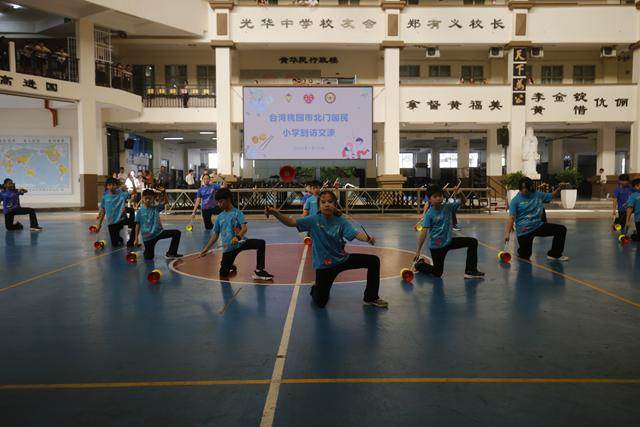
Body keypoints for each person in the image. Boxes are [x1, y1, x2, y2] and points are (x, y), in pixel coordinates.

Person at [266, 190, 388, 308]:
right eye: (323, 202)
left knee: (373, 261)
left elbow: (355, 234)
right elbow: (291, 222)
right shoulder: (313, 220)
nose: (327, 204)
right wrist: (275, 212)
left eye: (330, 201)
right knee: (321, 302)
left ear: (335, 205)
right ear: (319, 206)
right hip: (324, 266)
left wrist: (367, 238)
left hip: (342, 259)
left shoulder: (341, 222)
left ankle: (371, 297)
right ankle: (315, 288)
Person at [199, 188, 273, 280]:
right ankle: (229, 264)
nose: (219, 204)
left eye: (221, 201)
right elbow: (215, 235)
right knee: (223, 274)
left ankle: (259, 270)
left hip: (241, 243)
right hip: (229, 248)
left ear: (228, 199)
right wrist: (206, 249)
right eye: (218, 202)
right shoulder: (219, 217)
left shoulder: (237, 213)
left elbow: (244, 228)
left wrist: (237, 237)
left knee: (261, 243)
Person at [414, 186, 483, 279]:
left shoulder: (448, 207)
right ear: (429, 199)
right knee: (438, 273)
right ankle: (420, 265)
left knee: (473, 242)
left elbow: (463, 201)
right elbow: (423, 233)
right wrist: (418, 251)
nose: (438, 198)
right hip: (437, 247)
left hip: (449, 241)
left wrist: (460, 193)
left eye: (440, 196)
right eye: (435, 196)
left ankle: (470, 271)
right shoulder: (429, 214)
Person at [505, 177, 568, 261]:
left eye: (526, 187)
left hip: (538, 226)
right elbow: (511, 217)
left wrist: (560, 188)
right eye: (522, 188)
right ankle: (522, 250)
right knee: (525, 255)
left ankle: (554, 254)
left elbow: (552, 195)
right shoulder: (515, 201)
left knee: (561, 230)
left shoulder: (537, 195)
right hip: (524, 230)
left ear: (531, 187)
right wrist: (507, 233)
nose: (524, 190)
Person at [134, 189, 182, 259]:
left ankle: (171, 253)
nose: (148, 200)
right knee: (149, 257)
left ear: (153, 199)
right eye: (146, 198)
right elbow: (137, 225)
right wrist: (136, 238)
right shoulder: (140, 211)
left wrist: (164, 192)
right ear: (142, 198)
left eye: (150, 198)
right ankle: (146, 252)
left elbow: (166, 202)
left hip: (159, 233)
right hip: (148, 238)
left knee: (177, 233)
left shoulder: (156, 208)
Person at [95, 177, 136, 247]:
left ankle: (131, 241)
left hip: (122, 219)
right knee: (114, 244)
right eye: (109, 185)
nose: (111, 186)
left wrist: (132, 182)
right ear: (107, 186)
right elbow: (103, 211)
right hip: (111, 222)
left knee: (136, 223)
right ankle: (119, 238)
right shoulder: (105, 197)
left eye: (113, 185)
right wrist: (99, 225)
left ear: (117, 186)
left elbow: (134, 192)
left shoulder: (122, 194)